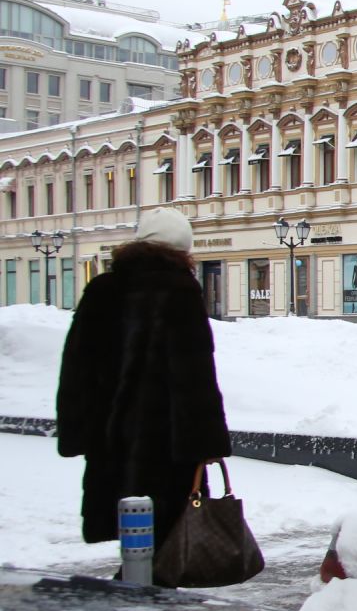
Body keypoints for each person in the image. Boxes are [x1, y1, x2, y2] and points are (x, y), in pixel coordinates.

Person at [56, 207, 233, 555]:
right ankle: (145, 602)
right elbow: (195, 378)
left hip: (110, 440)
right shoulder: (180, 291)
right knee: (166, 538)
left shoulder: (101, 288)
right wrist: (208, 443)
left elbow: (76, 368)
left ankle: (134, 593)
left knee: (131, 530)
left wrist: (78, 432)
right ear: (182, 248)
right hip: (165, 443)